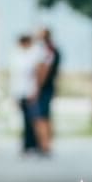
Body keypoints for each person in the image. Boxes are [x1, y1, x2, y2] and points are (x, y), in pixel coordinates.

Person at [32, 27, 61, 157]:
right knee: (46, 115)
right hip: (49, 86)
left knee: (40, 116)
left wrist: (37, 88)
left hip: (43, 88)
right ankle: (47, 143)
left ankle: (45, 145)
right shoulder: (54, 49)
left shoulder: (46, 50)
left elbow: (44, 70)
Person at [11, 33, 41, 156]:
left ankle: (33, 144)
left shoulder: (33, 55)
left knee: (32, 119)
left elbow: (34, 76)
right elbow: (15, 77)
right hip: (20, 92)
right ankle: (27, 144)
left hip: (30, 92)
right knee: (25, 119)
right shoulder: (18, 56)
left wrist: (34, 92)